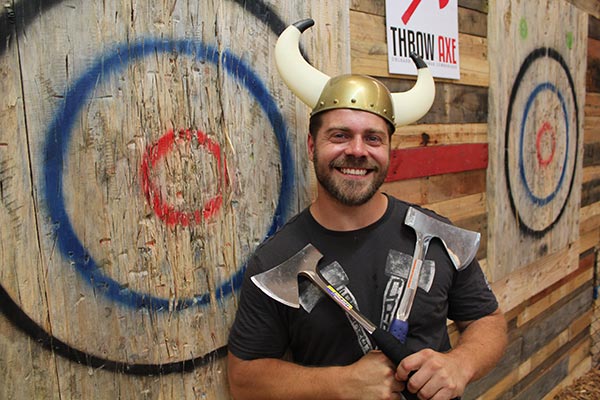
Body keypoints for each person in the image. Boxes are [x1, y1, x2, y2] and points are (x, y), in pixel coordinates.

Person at [227, 19, 507, 400]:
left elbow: (488, 321)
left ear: (390, 150)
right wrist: (340, 384)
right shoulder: (277, 261)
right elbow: (244, 380)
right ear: (312, 146)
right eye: (340, 135)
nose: (357, 150)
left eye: (372, 138)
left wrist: (461, 363)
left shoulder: (436, 234)